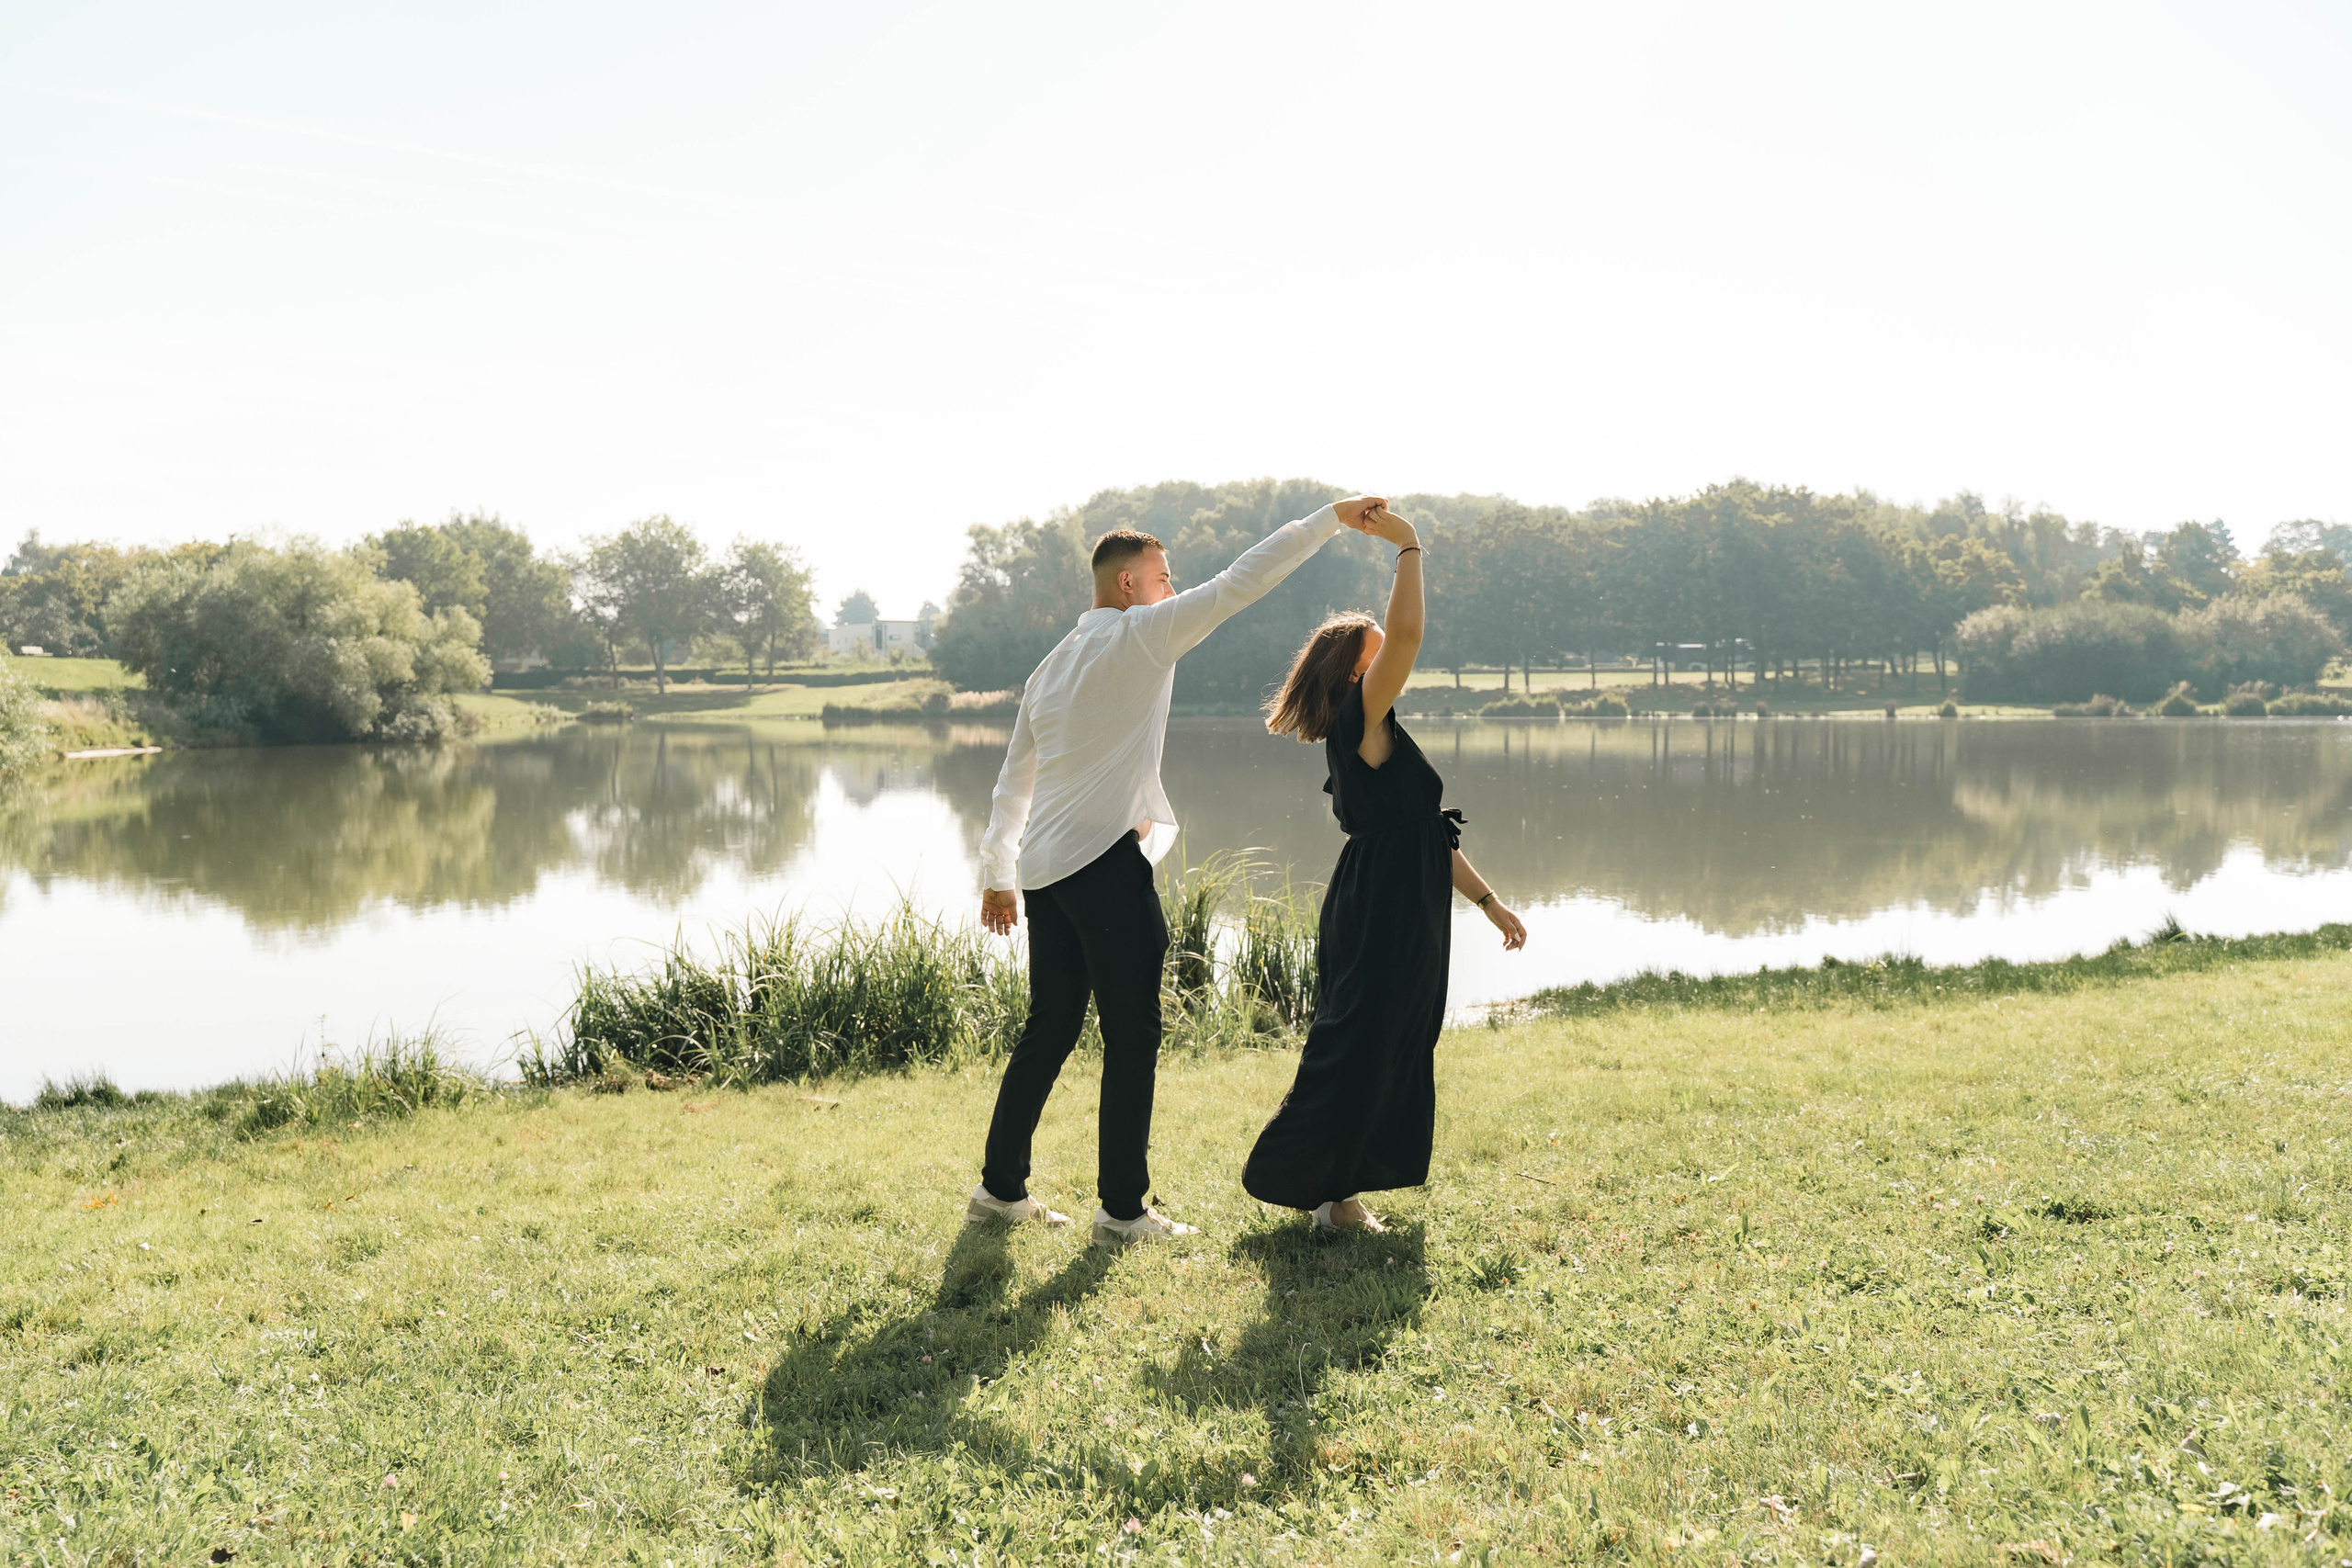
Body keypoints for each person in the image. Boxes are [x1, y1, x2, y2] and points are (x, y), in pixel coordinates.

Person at [970, 493, 1394, 1246]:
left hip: (1042, 872)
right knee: (1132, 1036)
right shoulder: (1142, 635)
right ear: (1129, 585)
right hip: (1101, 866)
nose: (1174, 588)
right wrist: (1329, 519)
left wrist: (999, 872)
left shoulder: (1050, 666)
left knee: (1049, 1029)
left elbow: (1014, 780)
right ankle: (1123, 1212)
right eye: (1164, 576)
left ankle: (1000, 1190)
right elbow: (1241, 581)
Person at [1241, 504, 1527, 1233]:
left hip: (1398, 897)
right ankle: (1318, 1189)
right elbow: (1409, 632)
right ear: (1354, 670)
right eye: (1372, 657)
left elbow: (1426, 835)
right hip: (1383, 907)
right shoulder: (1357, 719)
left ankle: (1336, 1195)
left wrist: (1490, 903)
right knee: (1363, 1044)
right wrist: (1407, 543)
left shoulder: (1371, 730)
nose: (1388, 662)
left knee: (1385, 1040)